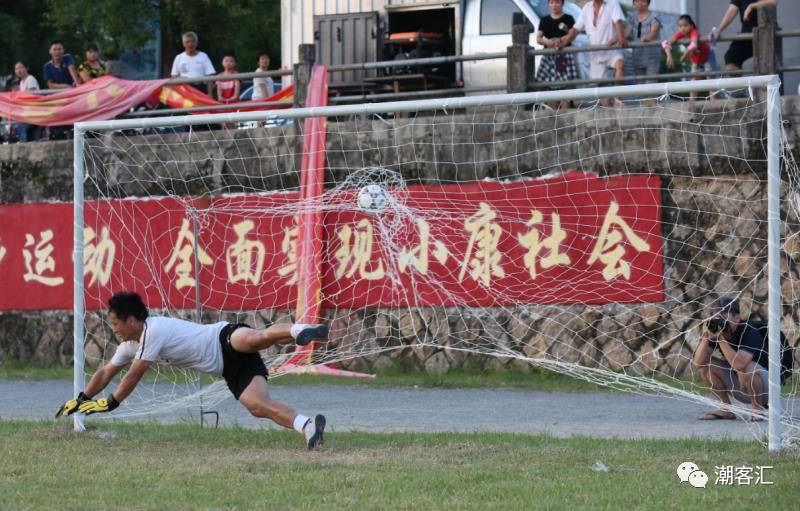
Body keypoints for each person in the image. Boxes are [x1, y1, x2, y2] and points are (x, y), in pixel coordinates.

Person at [56, 291, 330, 450]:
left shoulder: (154, 330)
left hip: (223, 338)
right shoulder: (131, 345)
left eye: (115, 323)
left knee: (255, 338)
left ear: (131, 319)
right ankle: (308, 426)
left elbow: (134, 374)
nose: (113, 329)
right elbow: (107, 372)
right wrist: (83, 398)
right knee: (257, 406)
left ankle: (300, 330)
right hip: (229, 369)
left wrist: (113, 402)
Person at [693, 298, 769, 422]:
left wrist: (720, 339)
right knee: (706, 366)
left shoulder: (749, 331)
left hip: (765, 388)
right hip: (740, 385)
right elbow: (698, 363)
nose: (720, 321)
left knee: (746, 366)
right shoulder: (717, 332)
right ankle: (725, 409)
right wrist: (706, 337)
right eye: (716, 317)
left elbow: (739, 364)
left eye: (723, 316)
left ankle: (757, 409)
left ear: (737, 318)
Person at [573, 0, 627, 105]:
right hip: (595, 52)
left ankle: (618, 99)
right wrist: (562, 41)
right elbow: (576, 29)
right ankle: (607, 111)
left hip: (612, 48)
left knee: (620, 65)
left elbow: (618, 21)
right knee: (601, 85)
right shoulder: (586, 8)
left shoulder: (612, 3)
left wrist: (620, 37)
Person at [710, 0, 778, 73]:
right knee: (731, 58)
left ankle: (767, 83)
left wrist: (751, 6)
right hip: (747, 34)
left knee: (765, 67)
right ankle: (738, 84)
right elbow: (731, 11)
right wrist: (718, 30)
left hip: (766, 35)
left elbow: (773, 2)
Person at [535, 0, 579, 109]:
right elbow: (539, 38)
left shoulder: (568, 18)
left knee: (566, 88)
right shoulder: (544, 20)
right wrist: (548, 42)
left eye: (557, 2)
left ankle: (565, 117)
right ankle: (552, 119)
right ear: (549, 4)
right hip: (549, 57)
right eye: (552, 2)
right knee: (550, 88)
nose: (554, 5)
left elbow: (572, 35)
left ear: (562, 4)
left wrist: (562, 41)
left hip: (565, 57)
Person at [663, 15, 717, 101]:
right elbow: (665, 43)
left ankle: (713, 100)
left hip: (707, 56)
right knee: (694, 79)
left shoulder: (694, 32)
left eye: (685, 25)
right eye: (680, 26)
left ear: (691, 26)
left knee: (709, 77)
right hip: (696, 59)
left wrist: (685, 55)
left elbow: (693, 44)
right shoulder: (679, 34)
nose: (683, 28)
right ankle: (692, 101)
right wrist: (669, 56)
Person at [625, 0, 661, 83]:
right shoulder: (632, 17)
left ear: (648, 2)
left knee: (651, 87)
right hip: (637, 57)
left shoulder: (655, 16)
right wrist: (618, 39)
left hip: (652, 57)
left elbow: (654, 31)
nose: (640, 3)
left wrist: (648, 37)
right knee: (640, 88)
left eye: (643, 1)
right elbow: (625, 33)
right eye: (637, 1)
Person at [170, 31, 216, 96]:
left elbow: (210, 76)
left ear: (196, 43)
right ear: (183, 44)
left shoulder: (203, 56)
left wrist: (210, 94)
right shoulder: (178, 57)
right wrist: (180, 79)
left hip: (200, 89)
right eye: (187, 42)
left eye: (192, 41)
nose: (190, 44)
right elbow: (173, 76)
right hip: (184, 90)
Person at [12, 61, 40, 143]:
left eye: (21, 67)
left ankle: (23, 143)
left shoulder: (30, 79)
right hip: (27, 113)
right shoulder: (21, 82)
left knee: (20, 127)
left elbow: (31, 96)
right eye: (16, 68)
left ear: (26, 68)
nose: (19, 70)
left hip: (34, 112)